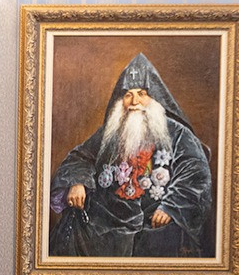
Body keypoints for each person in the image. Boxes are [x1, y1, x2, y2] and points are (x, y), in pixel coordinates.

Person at [49, 53, 212, 258]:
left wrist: (171, 207)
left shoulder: (177, 133)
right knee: (75, 227)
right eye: (128, 95)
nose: (135, 101)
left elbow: (196, 172)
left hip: (154, 217)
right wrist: (77, 182)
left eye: (142, 94)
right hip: (109, 217)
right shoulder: (112, 131)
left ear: (154, 98)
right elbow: (80, 157)